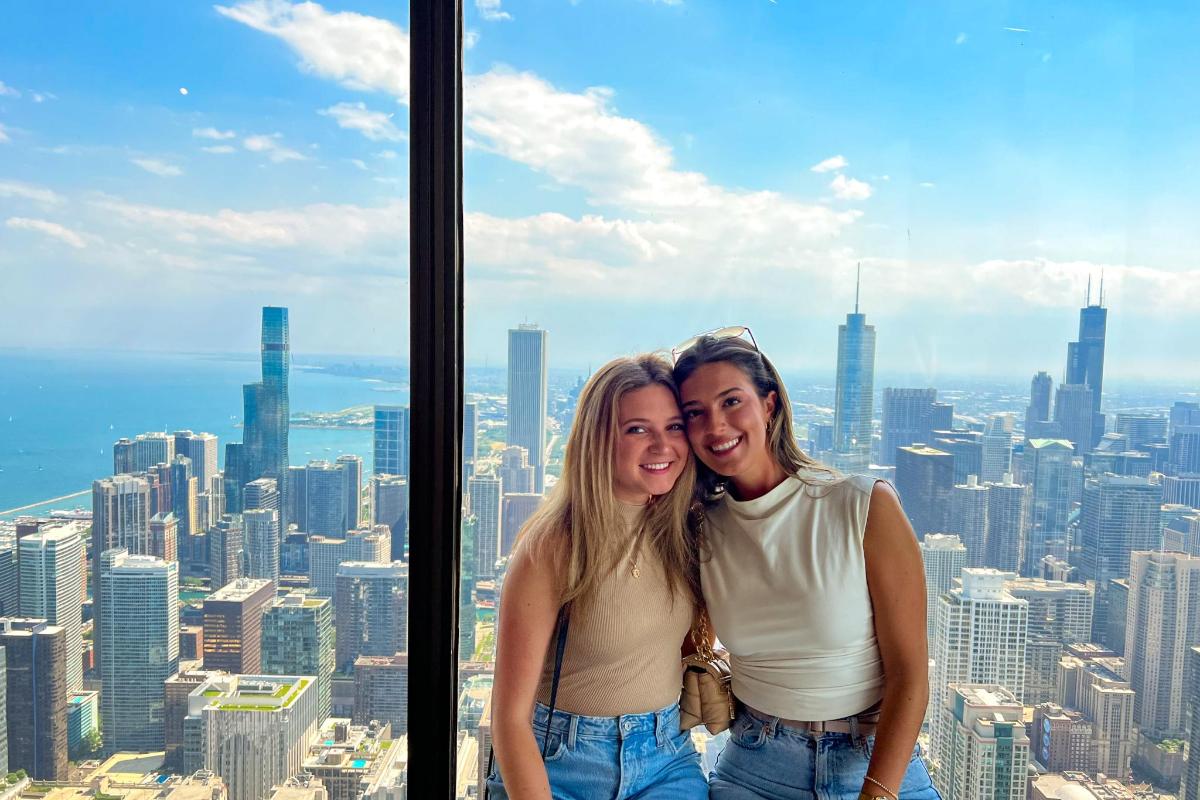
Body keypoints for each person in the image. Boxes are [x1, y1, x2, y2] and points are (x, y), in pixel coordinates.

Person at [672, 329, 940, 800]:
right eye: (695, 413)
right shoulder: (699, 528)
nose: (715, 425)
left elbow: (910, 673)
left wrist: (877, 792)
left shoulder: (862, 505)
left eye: (732, 401)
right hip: (755, 765)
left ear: (769, 404)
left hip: (873, 763)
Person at [487, 354, 708, 800]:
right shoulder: (552, 545)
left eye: (674, 427)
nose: (662, 446)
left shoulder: (686, 531)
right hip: (563, 764)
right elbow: (509, 718)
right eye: (637, 429)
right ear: (598, 439)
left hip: (666, 757)